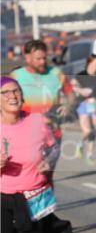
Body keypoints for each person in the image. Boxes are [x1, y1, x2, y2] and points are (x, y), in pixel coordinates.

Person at [1, 76, 58, 233]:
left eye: (16, 90)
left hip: (32, 197)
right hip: (1, 199)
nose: (13, 95)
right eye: (6, 92)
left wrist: (49, 164)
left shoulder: (36, 121)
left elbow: (54, 148)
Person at [12, 40, 70, 170]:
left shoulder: (56, 73)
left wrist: (67, 105)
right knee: (31, 173)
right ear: (27, 57)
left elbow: (71, 94)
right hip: (26, 132)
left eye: (44, 58)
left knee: (47, 174)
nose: (43, 62)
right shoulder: (16, 76)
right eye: (38, 59)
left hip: (53, 132)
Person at [71, 55, 96, 166]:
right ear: (90, 63)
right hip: (83, 104)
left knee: (94, 131)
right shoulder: (81, 75)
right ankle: (79, 145)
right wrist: (81, 90)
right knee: (87, 131)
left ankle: (90, 156)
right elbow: (72, 86)